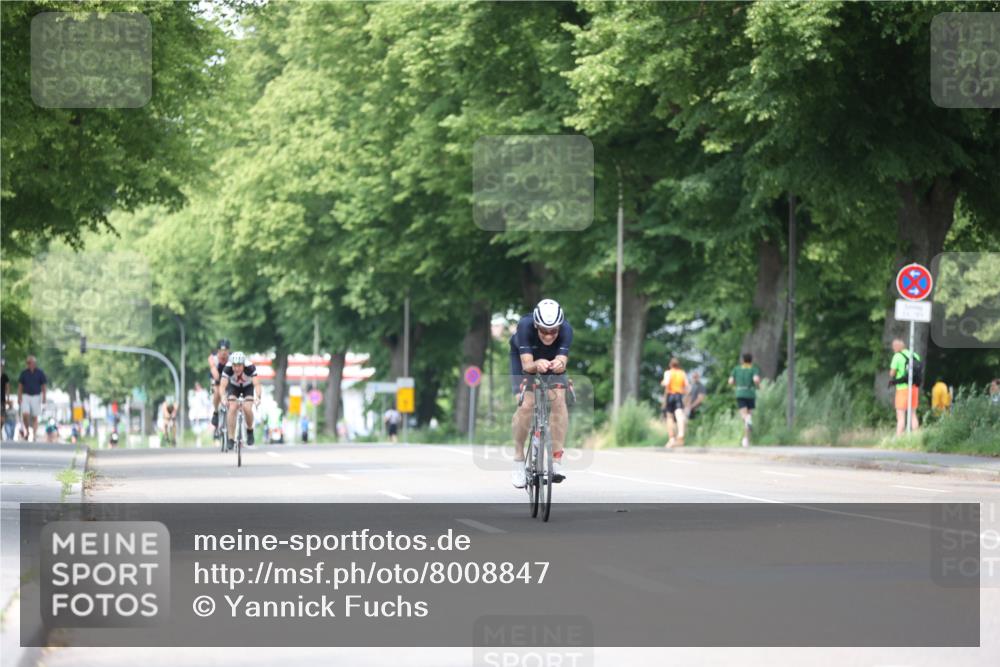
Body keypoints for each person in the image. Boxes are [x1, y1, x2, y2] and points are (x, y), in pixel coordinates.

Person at [509, 299, 572, 488]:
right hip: (524, 359)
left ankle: (557, 459)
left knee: (559, 401)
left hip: (551, 360)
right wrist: (537, 364)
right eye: (544, 330)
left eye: (553, 331)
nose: (548, 335)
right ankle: (519, 459)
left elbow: (562, 360)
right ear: (536, 325)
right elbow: (528, 365)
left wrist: (559, 364)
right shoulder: (525, 327)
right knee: (526, 405)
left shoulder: (567, 330)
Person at [218, 351, 261, 446]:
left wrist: (258, 397)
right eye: (234, 366)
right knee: (232, 407)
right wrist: (223, 397)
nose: (236, 368)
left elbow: (257, 384)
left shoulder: (250, 367)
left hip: (248, 387)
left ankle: (250, 430)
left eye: (239, 366)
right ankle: (231, 438)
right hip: (234, 387)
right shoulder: (227, 368)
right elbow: (222, 386)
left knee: (247, 408)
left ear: (243, 365)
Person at [888, 338, 921, 435]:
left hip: (902, 388)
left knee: (901, 415)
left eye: (893, 347)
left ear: (896, 347)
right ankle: (915, 438)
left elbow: (892, 373)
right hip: (914, 388)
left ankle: (899, 439)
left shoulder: (897, 356)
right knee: (913, 414)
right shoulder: (914, 355)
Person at [728, 352, 761, 448]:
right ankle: (746, 440)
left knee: (744, 416)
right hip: (750, 393)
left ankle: (746, 438)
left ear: (742, 360)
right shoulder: (754, 369)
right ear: (752, 360)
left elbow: (730, 381)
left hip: (740, 393)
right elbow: (756, 380)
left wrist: (736, 383)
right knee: (748, 416)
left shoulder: (737, 369)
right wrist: (758, 386)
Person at [17, 355, 47, 442]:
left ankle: (34, 434)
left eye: (30, 362)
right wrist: (19, 397)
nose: (29, 364)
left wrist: (44, 397)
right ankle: (27, 431)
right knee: (25, 414)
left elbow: (44, 386)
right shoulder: (24, 373)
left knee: (35, 416)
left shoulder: (40, 373)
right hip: (25, 395)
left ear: (34, 363)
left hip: (36, 396)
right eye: (28, 363)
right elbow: (20, 386)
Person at [661, 358, 690, 447]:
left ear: (670, 365)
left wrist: (662, 382)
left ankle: (672, 438)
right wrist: (685, 396)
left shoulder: (668, 373)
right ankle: (681, 434)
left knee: (669, 417)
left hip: (670, 395)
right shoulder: (682, 373)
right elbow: (687, 387)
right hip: (679, 395)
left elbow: (666, 383)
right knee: (679, 415)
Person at [208, 339, 231, 436]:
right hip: (217, 378)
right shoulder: (213, 358)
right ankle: (216, 412)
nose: (223, 354)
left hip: (228, 379)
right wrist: (217, 376)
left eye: (225, 351)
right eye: (221, 351)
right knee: (217, 392)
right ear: (218, 351)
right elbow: (213, 369)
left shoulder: (231, 358)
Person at [1, 359, 10, 440]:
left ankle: (0, 429)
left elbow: (7, 388)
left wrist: (7, 398)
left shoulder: (4, 376)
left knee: (2, 418)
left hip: (2, 399)